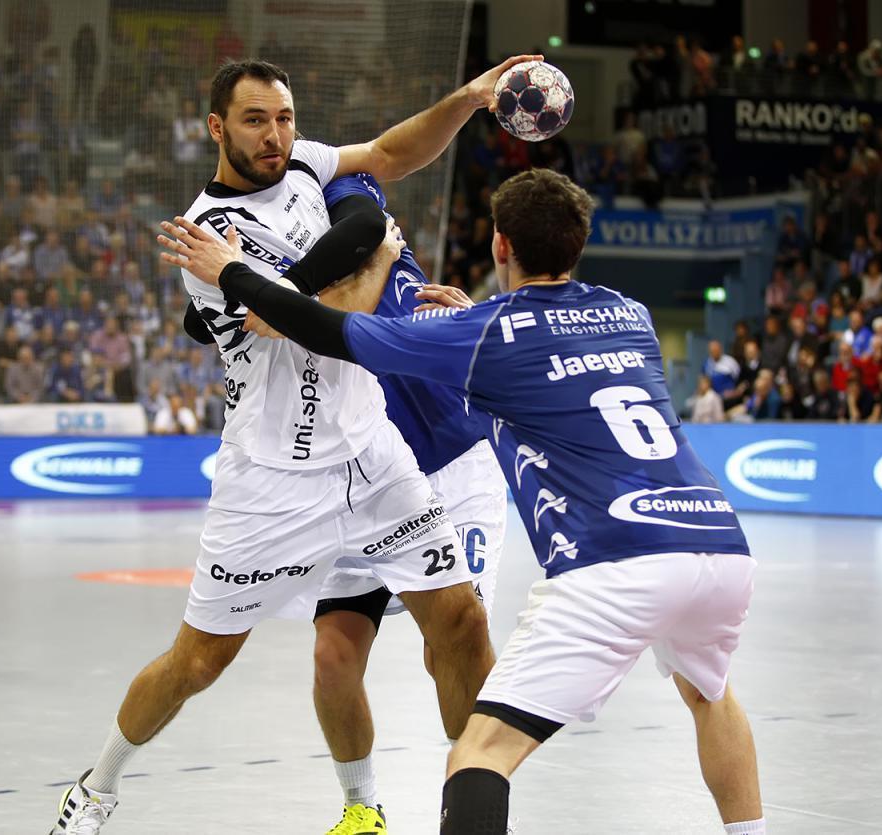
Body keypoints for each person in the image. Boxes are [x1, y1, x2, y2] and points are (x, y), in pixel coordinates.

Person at [167, 167, 764, 835]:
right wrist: (470, 319)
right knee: (712, 695)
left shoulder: (483, 334)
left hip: (614, 560)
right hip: (720, 545)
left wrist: (231, 272)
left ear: (500, 245)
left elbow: (330, 329)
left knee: (478, 754)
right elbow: (549, 347)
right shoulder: (631, 314)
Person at [48, 53, 541, 834]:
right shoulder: (205, 237)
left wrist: (470, 99)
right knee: (198, 662)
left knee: (463, 622)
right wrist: (378, 256)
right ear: (217, 129)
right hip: (272, 479)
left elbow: (389, 154)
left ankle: (478, 810)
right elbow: (310, 317)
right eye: (255, 121)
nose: (275, 136)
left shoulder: (305, 161)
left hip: (373, 457)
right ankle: (96, 785)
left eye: (284, 118)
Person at [187, 172, 507, 833]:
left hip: (453, 465)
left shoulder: (368, 240)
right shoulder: (295, 279)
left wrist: (468, 315)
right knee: (333, 656)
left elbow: (365, 218)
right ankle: (362, 807)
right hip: (360, 475)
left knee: (453, 640)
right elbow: (217, 320)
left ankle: (478, 804)